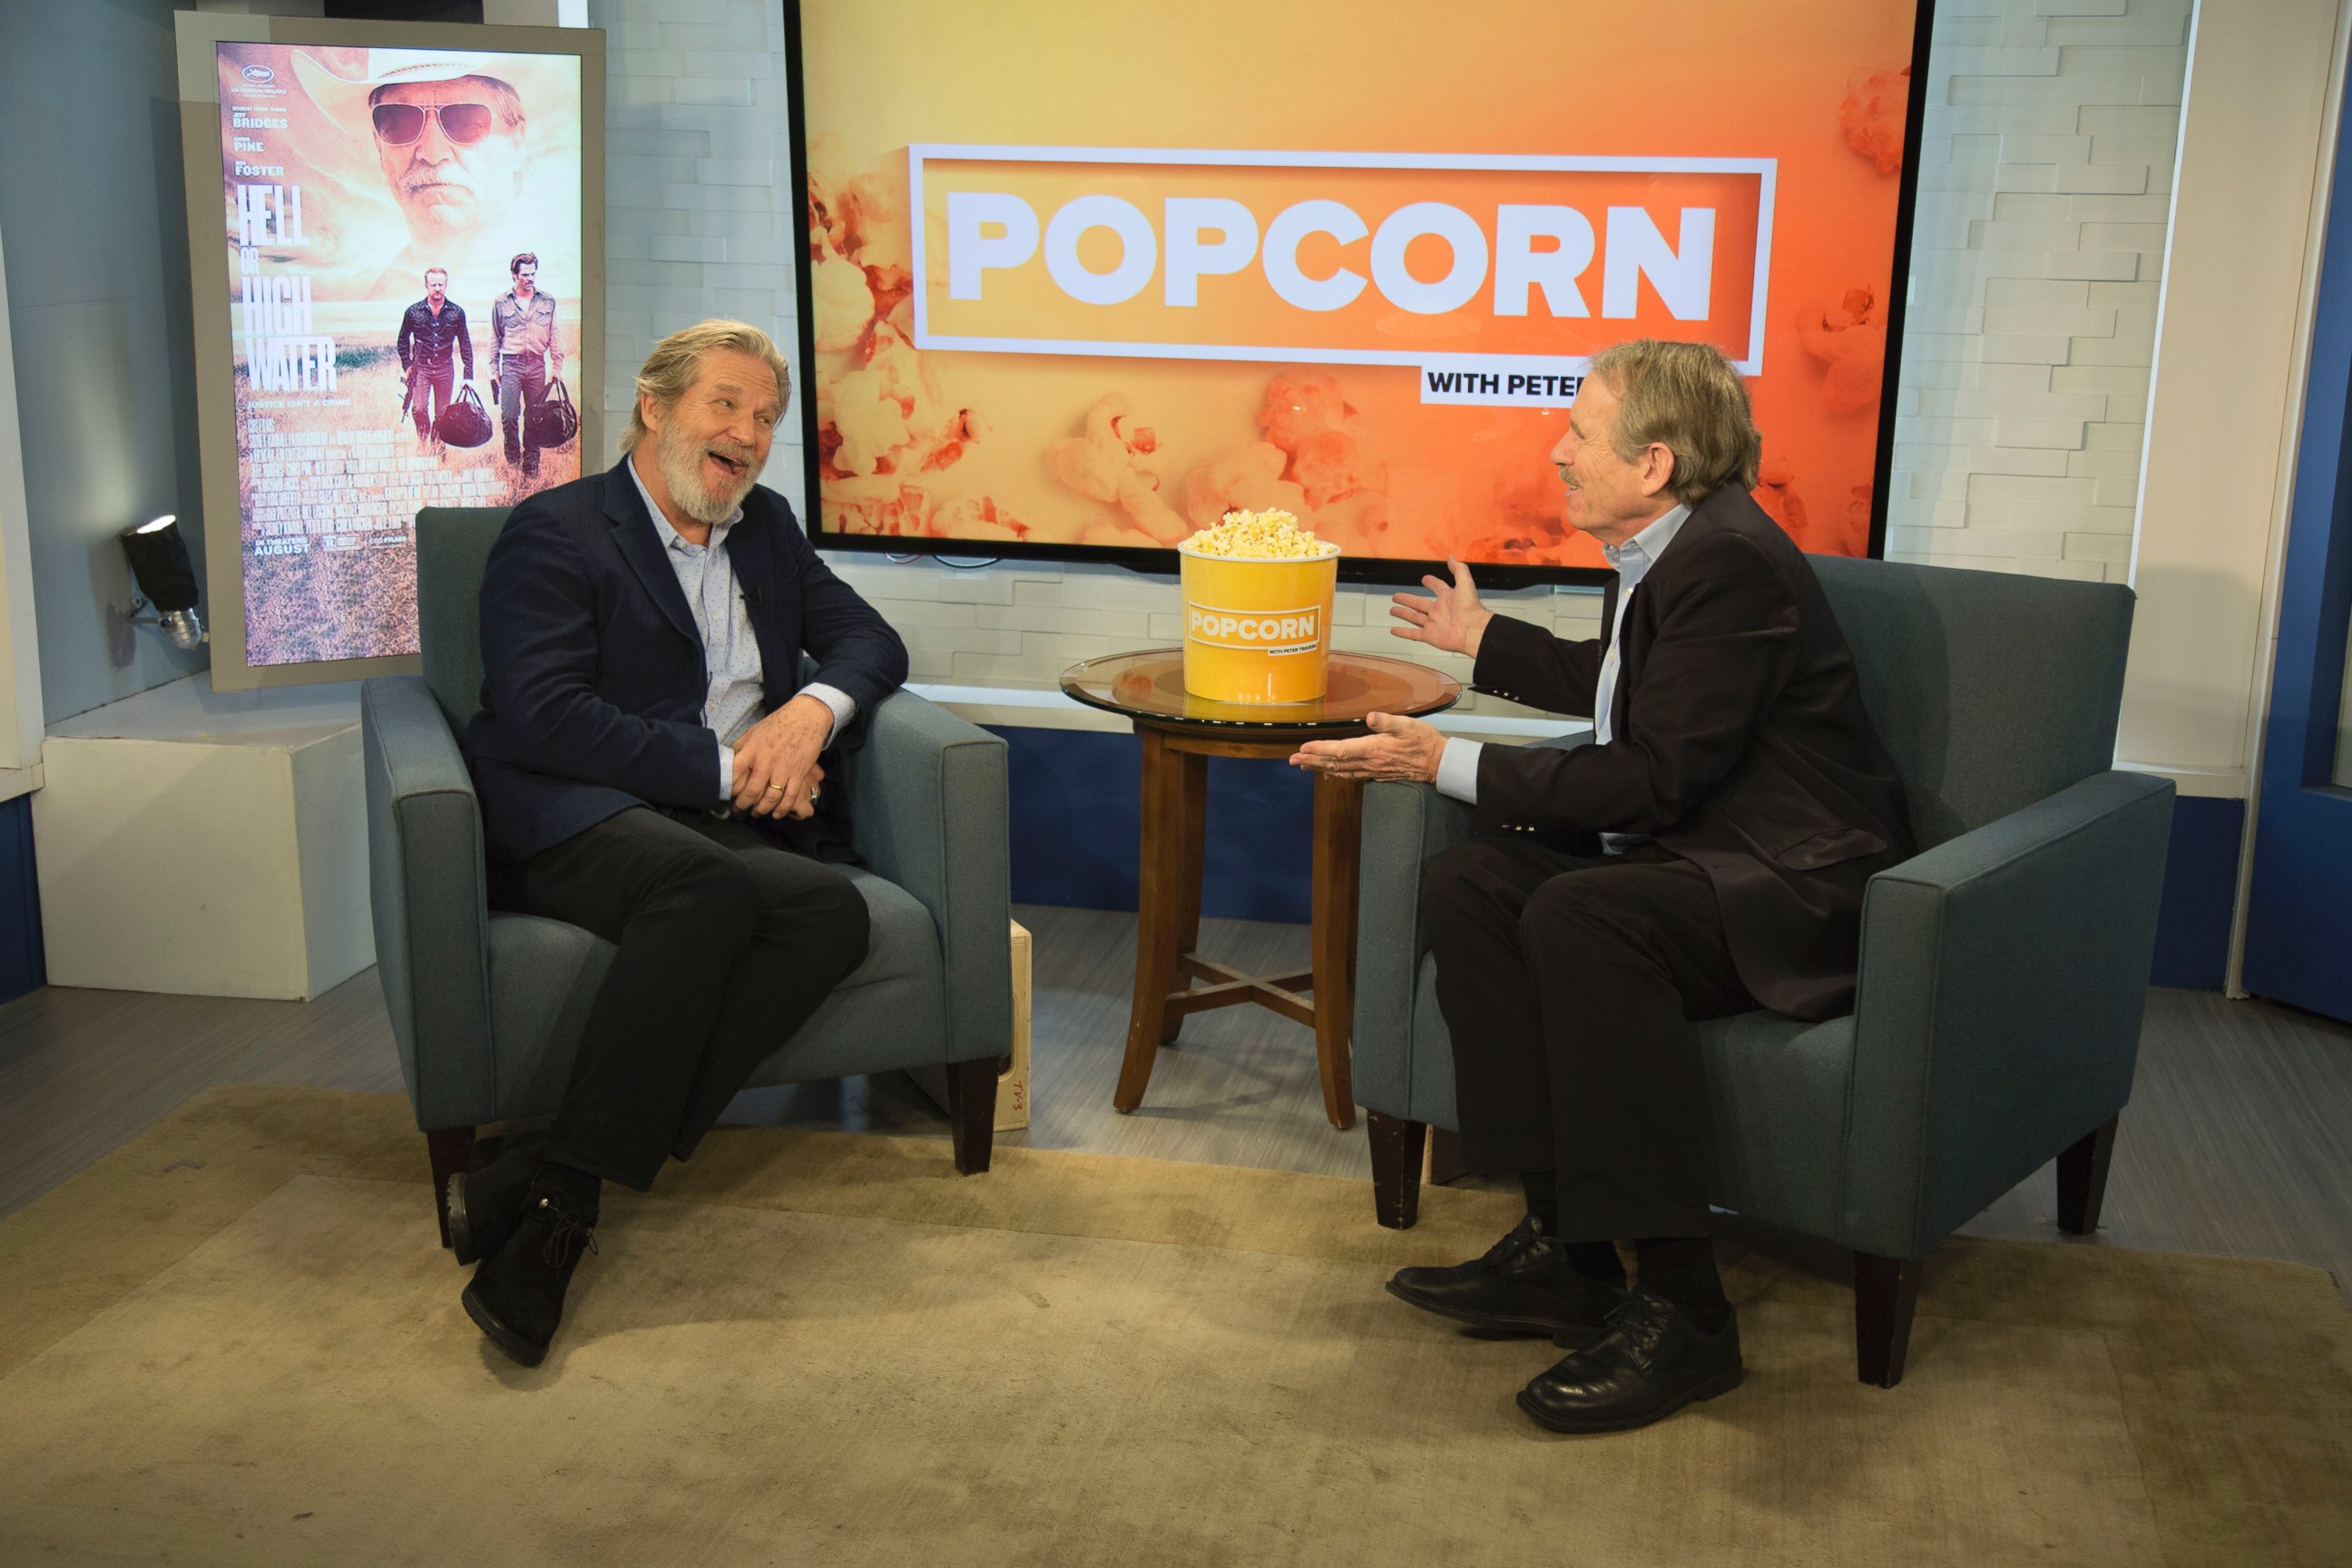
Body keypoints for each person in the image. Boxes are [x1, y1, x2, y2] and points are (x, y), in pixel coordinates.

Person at [1290, 338, 1914, 1434]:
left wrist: (1447, 760)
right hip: (1700, 852)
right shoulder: (1669, 547)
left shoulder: (1729, 561)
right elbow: (1645, 696)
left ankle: (1685, 1311)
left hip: (1789, 882)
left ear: (1655, 463)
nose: (1560, 449)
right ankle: (1568, 1254)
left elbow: (1658, 771)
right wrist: (1487, 644)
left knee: (1582, 912)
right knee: (1473, 882)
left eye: (1580, 432)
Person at [456, 319, 910, 1368]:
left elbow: (869, 640)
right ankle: (562, 1215)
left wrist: (810, 717)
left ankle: (534, 1159)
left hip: (705, 824)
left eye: (764, 419)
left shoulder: (765, 526)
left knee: (827, 914)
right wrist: (730, 769)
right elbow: (543, 716)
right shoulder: (556, 531)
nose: (747, 435)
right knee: (706, 891)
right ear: (655, 410)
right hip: (574, 808)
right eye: (725, 406)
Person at [289, 49, 539, 305]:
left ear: (516, 143)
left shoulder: (565, 280)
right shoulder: (370, 301)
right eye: (398, 122)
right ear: (379, 146)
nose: (432, 152)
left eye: (465, 121)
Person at [491, 251, 562, 481]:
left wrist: (557, 367)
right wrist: (494, 369)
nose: (530, 278)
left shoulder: (547, 301)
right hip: (511, 364)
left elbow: (555, 334)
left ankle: (531, 467)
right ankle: (513, 463)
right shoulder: (501, 302)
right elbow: (495, 335)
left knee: (535, 418)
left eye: (533, 274)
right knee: (509, 416)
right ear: (514, 275)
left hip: (536, 366)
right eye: (525, 274)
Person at [394, 268, 474, 450]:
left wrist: (468, 375)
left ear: (446, 285)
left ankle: (438, 447)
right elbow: (402, 340)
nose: (437, 288)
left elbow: (465, 344)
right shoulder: (413, 312)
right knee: (419, 409)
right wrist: (407, 365)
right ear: (426, 285)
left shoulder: (457, 312)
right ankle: (423, 441)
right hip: (421, 368)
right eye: (433, 284)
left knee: (443, 414)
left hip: (445, 369)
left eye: (441, 284)